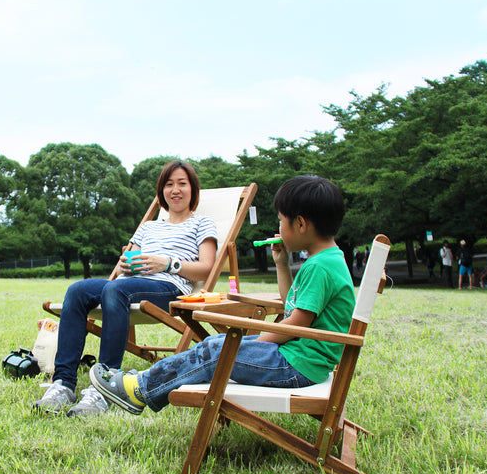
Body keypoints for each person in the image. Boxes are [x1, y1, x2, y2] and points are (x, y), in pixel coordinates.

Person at [89, 174, 355, 417]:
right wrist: (282, 264)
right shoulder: (327, 261)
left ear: (300, 224)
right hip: (300, 360)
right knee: (217, 344)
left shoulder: (319, 267)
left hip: (296, 365)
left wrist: (258, 342)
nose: (279, 227)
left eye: (281, 220)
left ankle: (139, 390)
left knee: (218, 350)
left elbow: (297, 324)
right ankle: (144, 380)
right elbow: (291, 308)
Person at [32, 160, 218, 416]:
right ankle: (63, 384)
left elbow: (207, 267)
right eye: (169, 184)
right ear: (162, 191)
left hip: (169, 288)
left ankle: (104, 388)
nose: (175, 190)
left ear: (192, 189)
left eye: (182, 184)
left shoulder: (202, 224)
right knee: (77, 291)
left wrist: (169, 263)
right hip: (130, 284)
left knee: (114, 290)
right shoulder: (148, 226)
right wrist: (124, 266)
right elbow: (125, 267)